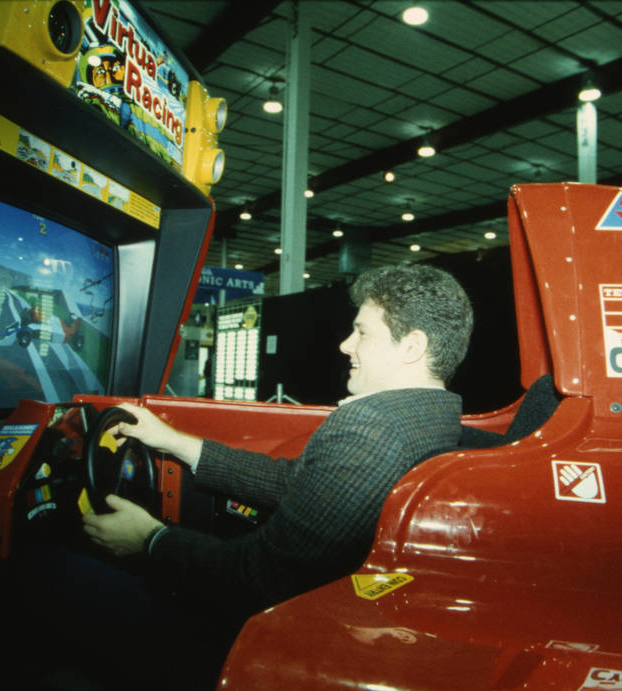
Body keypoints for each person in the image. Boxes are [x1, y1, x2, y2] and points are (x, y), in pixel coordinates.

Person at [74, 263, 474, 687]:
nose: (345, 345)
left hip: (282, 637)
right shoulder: (438, 416)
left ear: (412, 346)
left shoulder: (373, 427)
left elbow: (264, 577)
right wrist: (173, 441)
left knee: (67, 576)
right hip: (347, 614)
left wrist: (148, 539)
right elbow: (293, 483)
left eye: (362, 332)